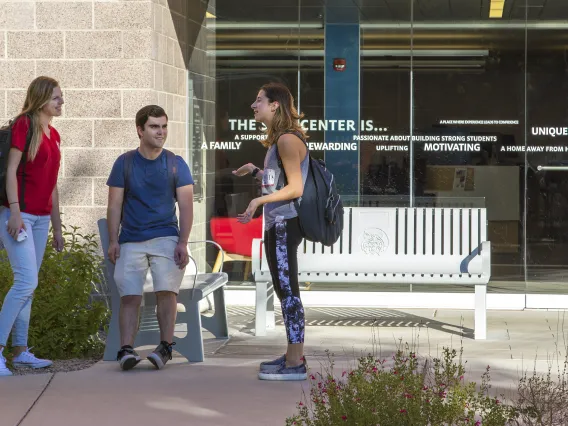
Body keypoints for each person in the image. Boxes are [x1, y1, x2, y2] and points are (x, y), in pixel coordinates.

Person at [106, 105, 194, 371]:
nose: (161, 132)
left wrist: (182, 242)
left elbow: (187, 206)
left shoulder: (176, 164)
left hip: (166, 237)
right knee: (129, 296)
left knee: (167, 292)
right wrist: (113, 240)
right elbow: (114, 206)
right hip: (131, 239)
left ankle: (165, 347)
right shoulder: (125, 162)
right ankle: (126, 351)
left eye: (164, 126)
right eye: (155, 126)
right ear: (140, 130)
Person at [233, 82, 309, 381]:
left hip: (284, 225)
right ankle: (292, 355)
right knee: (283, 290)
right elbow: (279, 181)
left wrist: (257, 200)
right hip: (276, 224)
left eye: (259, 100)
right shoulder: (280, 141)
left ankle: (296, 363)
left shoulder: (288, 141)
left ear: (275, 104)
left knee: (289, 292)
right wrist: (254, 171)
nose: (254, 106)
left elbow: (295, 188)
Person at [0, 76, 65, 377]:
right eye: (56, 98)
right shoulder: (24, 125)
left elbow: (51, 185)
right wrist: (14, 212)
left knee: (30, 287)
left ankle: (20, 351)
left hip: (40, 219)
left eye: (61, 98)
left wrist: (58, 227)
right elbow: (11, 170)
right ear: (41, 99)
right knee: (26, 282)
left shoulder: (53, 134)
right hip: (19, 215)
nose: (61, 102)